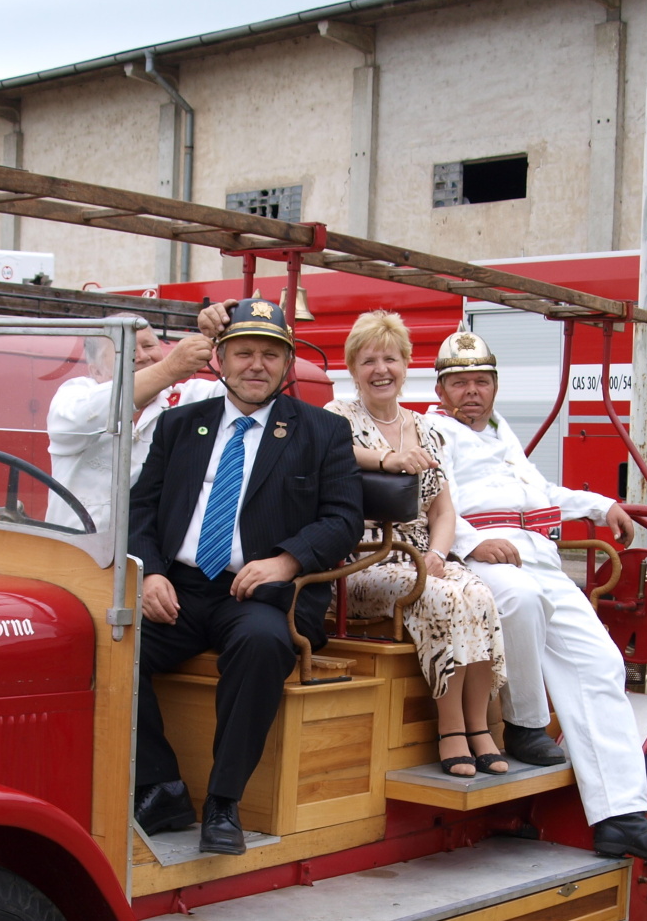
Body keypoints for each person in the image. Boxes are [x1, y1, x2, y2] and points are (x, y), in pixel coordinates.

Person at [428, 329, 647, 865]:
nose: (472, 391)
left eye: (481, 381)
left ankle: (621, 817)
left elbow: (541, 494)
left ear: (495, 386)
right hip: (478, 557)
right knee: (520, 599)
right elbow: (432, 502)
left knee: (603, 663)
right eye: (459, 382)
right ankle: (526, 725)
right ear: (441, 390)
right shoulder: (433, 432)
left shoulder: (501, 432)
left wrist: (600, 505)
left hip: (538, 556)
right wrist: (473, 543)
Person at [130, 296, 364, 855]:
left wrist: (286, 560)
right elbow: (140, 509)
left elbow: (344, 520)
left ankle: (223, 802)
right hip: (180, 590)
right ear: (221, 360)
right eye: (243, 353)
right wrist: (151, 574)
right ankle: (160, 786)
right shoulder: (178, 425)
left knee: (261, 644)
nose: (256, 365)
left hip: (265, 595)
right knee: (108, 640)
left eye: (269, 354)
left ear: (286, 365)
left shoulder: (322, 431)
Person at [330, 310, 507, 778]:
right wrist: (386, 459)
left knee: (480, 595)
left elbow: (443, 512)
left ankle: (479, 726)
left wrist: (437, 554)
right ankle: (451, 730)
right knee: (442, 596)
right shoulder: (337, 418)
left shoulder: (427, 429)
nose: (381, 370)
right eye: (369, 361)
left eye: (390, 359)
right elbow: (337, 452)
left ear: (407, 366)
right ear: (353, 369)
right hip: (363, 559)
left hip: (420, 555)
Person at [45, 312, 221, 532]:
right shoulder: (74, 396)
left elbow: (243, 387)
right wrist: (169, 369)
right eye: (126, 349)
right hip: (73, 546)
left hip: (149, 550)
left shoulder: (188, 397)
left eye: (148, 345)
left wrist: (228, 322)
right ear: (96, 370)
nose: (142, 356)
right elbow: (80, 419)